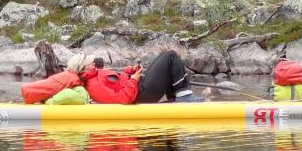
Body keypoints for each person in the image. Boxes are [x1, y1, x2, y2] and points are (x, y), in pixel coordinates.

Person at [67, 50, 202, 104]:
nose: (93, 63)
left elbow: (117, 79)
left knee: (164, 54)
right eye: (89, 63)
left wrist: (130, 71)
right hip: (141, 94)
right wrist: (133, 80)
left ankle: (177, 97)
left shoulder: (94, 73)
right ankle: (184, 97)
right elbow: (120, 99)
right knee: (170, 56)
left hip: (138, 87)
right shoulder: (93, 85)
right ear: (83, 69)